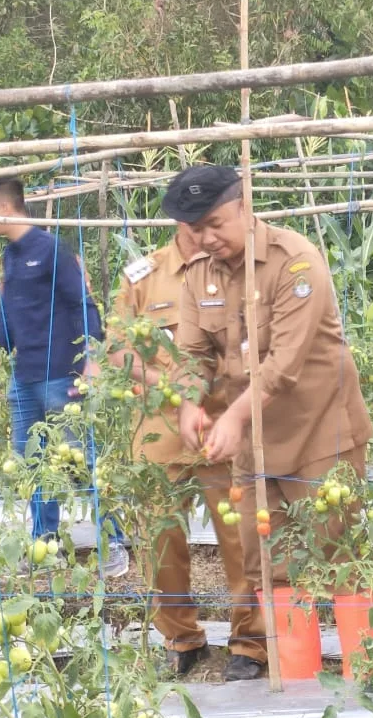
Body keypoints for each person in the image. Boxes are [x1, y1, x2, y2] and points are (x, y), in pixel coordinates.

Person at [163, 164, 373, 678]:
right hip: (254, 445)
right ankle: (296, 678)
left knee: (337, 550)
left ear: (244, 205)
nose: (207, 239)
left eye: (216, 223)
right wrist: (190, 403)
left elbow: (285, 362)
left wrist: (231, 415)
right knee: (270, 561)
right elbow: (192, 355)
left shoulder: (294, 262)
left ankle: (365, 671)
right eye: (196, 230)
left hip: (322, 433)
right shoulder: (198, 276)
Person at [106, 223, 267, 681]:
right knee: (161, 540)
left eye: (215, 217)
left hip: (225, 427)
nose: (207, 229)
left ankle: (250, 643)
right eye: (197, 219)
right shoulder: (145, 276)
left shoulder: (240, 268)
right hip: (162, 432)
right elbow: (119, 352)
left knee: (241, 540)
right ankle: (181, 639)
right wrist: (174, 390)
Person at [0, 177, 128, 577]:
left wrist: (90, 359)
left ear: (7, 208)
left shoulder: (51, 250)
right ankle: (47, 546)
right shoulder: (11, 256)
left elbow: (83, 304)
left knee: (79, 463)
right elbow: (7, 317)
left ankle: (114, 543)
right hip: (24, 379)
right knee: (33, 463)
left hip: (62, 374)